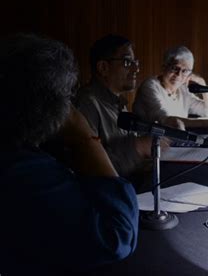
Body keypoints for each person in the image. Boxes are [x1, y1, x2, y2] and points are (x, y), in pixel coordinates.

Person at [0, 34, 138, 276]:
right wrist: (84, 137)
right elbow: (117, 236)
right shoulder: (20, 167)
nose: (70, 107)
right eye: (66, 98)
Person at [75, 34, 156, 177]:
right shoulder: (86, 103)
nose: (136, 69)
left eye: (135, 62)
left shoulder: (118, 103)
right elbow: (87, 166)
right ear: (103, 67)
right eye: (127, 62)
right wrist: (137, 147)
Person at [133, 45, 208, 131]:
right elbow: (167, 120)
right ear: (164, 67)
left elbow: (207, 111)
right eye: (174, 68)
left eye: (185, 71)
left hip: (173, 143)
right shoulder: (150, 86)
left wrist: (202, 82)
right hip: (149, 148)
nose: (178, 75)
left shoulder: (182, 89)